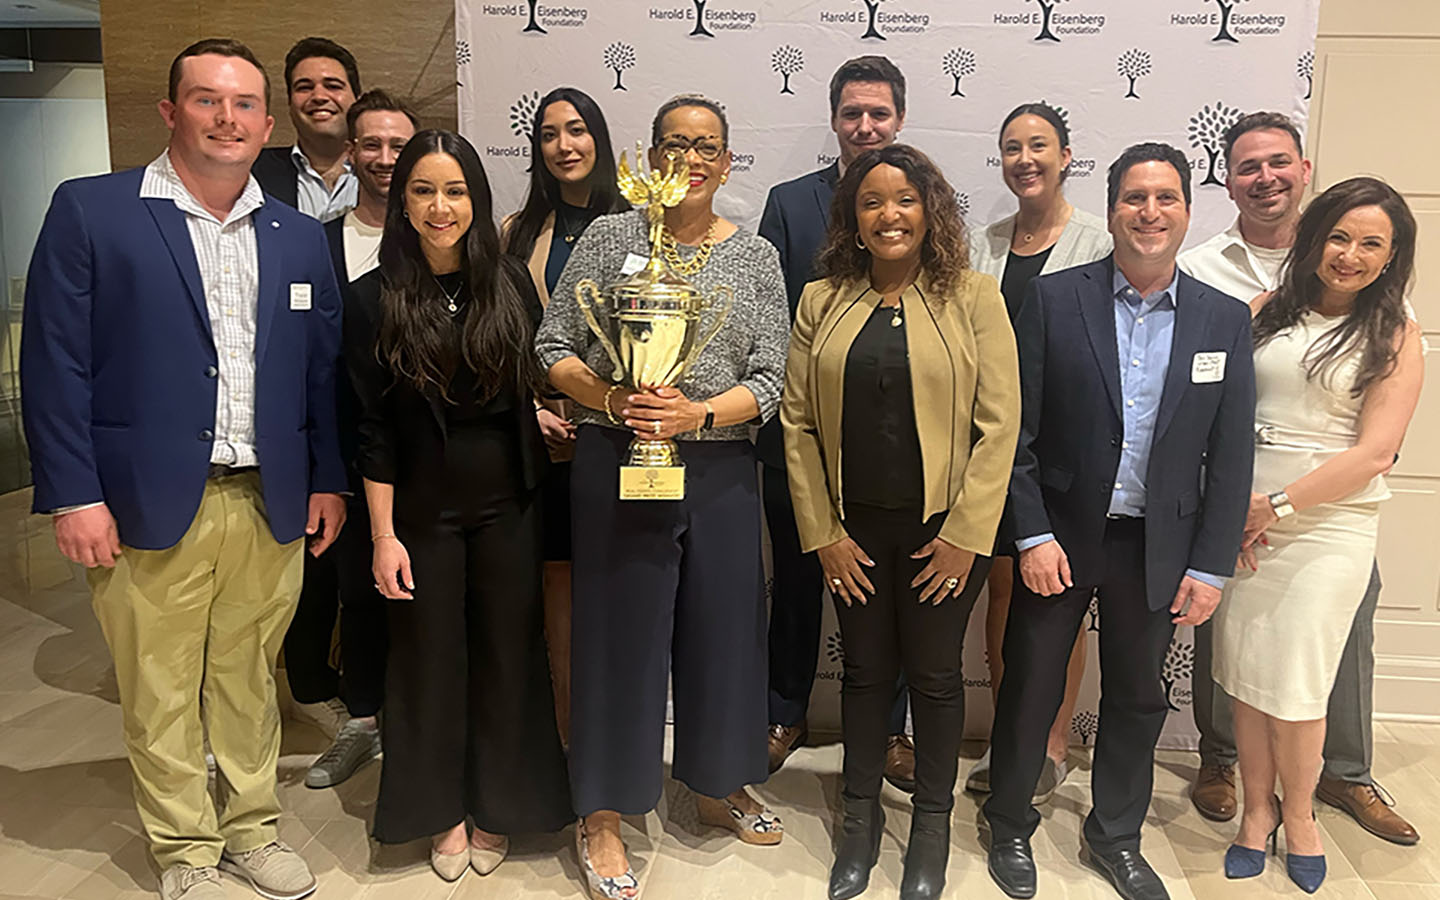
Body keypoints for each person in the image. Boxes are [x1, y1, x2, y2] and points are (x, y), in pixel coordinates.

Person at [20, 39, 347, 900]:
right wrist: (74, 493)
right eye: (206, 100)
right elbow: (55, 364)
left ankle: (251, 831)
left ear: (266, 124)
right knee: (160, 687)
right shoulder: (94, 211)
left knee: (247, 680)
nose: (226, 119)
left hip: (268, 498)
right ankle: (186, 851)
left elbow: (320, 373)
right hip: (140, 501)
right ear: (170, 112)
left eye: (243, 105)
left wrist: (326, 477)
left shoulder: (297, 236)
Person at [983, 143, 1256, 900]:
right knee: (1032, 685)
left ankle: (1116, 837)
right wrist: (1030, 534)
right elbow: (1016, 433)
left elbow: (1230, 457)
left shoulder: (1222, 319)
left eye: (1165, 198)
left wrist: (1209, 567)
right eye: (1134, 198)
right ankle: (1008, 823)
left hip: (1157, 546)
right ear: (1111, 211)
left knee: (1138, 696)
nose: (1150, 212)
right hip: (1061, 538)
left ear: (1187, 211)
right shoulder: (1054, 298)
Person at [537, 93, 789, 900]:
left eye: (706, 145)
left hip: (717, 467)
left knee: (723, 632)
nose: (691, 158)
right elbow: (552, 346)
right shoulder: (611, 238)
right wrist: (613, 400)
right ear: (648, 157)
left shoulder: (755, 257)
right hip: (616, 458)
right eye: (674, 144)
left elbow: (771, 379)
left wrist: (698, 412)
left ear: (726, 161)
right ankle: (602, 814)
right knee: (617, 638)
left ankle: (715, 782)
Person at [783, 144, 1019, 900]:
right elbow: (796, 426)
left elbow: (1000, 425)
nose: (891, 214)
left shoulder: (974, 295)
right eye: (873, 202)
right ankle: (858, 825)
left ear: (930, 211)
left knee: (938, 677)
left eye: (906, 200)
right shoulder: (821, 299)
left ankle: (931, 831)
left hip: (944, 536)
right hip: (852, 533)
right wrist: (823, 535)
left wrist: (964, 536)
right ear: (853, 220)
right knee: (862, 675)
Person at [1179, 112, 1419, 846]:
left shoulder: (1395, 326)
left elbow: (1379, 450)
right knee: (1241, 665)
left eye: (1369, 243)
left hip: (1323, 518)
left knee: (1319, 666)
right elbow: (1209, 407)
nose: (1349, 254)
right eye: (1339, 239)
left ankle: (1322, 794)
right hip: (1241, 513)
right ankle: (1247, 796)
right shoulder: (1241, 296)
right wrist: (1226, 508)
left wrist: (1272, 507)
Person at [344, 130, 573, 881]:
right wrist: (382, 535)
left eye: (456, 191)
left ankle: (502, 805)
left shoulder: (508, 280)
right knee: (427, 661)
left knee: (511, 657)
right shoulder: (371, 297)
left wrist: (535, 415)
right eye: (423, 191)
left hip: (510, 500)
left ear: (476, 199)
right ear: (400, 201)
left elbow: (524, 381)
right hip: (418, 512)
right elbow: (371, 429)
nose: (440, 208)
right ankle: (440, 811)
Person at [758, 54, 918, 787]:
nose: (865, 126)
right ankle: (783, 713)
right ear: (833, 121)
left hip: (893, 446)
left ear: (900, 119)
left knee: (887, 598)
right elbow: (767, 320)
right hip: (799, 434)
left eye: (878, 113)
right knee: (794, 585)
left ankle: (888, 733)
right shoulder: (789, 204)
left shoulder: (923, 203)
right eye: (852, 113)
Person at [965, 101, 1112, 803]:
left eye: (1039, 146)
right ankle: (1010, 737)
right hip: (991, 447)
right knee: (1002, 589)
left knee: (1058, 596)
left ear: (1065, 156)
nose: (1025, 159)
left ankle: (1052, 743)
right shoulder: (982, 244)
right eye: (1012, 148)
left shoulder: (1097, 240)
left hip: (1065, 452)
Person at [283, 89, 420, 791]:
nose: (386, 159)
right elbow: (309, 356)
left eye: (400, 145)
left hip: (437, 460)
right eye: (372, 144)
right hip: (352, 454)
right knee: (361, 595)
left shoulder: (444, 237)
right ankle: (362, 724)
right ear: (352, 150)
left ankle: (430, 730)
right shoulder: (319, 241)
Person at [501, 86, 629, 744]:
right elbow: (497, 345)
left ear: (599, 140)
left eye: (576, 130)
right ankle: (563, 742)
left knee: (617, 599)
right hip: (542, 445)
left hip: (619, 441)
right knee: (555, 605)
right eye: (548, 134)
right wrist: (529, 412)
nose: (563, 146)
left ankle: (614, 748)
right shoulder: (515, 234)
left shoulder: (641, 226)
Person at [251, 36, 359, 221]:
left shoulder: (390, 173)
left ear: (358, 100)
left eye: (333, 86)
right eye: (304, 87)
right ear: (290, 103)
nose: (319, 96)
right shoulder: (251, 172)